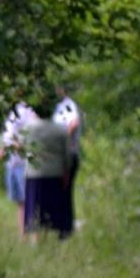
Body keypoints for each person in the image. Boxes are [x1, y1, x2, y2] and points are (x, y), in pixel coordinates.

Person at [22, 98, 73, 240]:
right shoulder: (60, 130)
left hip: (33, 173)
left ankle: (35, 238)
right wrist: (66, 171)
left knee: (34, 207)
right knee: (54, 205)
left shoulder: (28, 129)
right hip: (54, 173)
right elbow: (67, 155)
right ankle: (55, 233)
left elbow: (21, 147)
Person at [0, 101, 33, 234]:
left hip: (23, 164)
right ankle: (22, 235)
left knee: (29, 200)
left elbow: (30, 135)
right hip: (11, 164)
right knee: (20, 202)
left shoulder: (28, 111)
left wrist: (15, 145)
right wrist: (2, 147)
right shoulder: (12, 110)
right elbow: (7, 134)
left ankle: (34, 237)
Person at [52, 85, 83, 219]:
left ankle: (66, 224)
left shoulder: (68, 105)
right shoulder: (56, 108)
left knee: (64, 190)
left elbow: (74, 123)